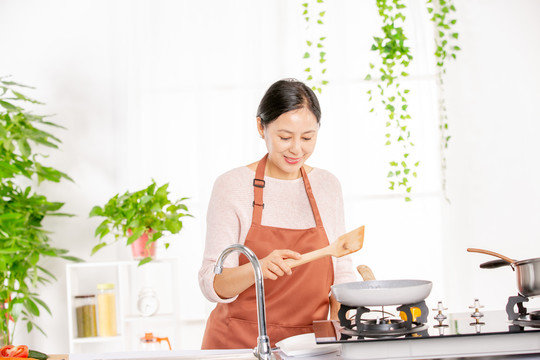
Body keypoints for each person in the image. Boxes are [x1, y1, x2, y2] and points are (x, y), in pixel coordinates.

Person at [199, 78, 357, 349]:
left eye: (308, 137)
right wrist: (257, 269)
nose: (297, 149)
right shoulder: (232, 186)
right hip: (240, 345)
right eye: (285, 137)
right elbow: (212, 284)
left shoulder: (327, 186)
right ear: (261, 127)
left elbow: (341, 271)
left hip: (311, 345)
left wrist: (341, 329)